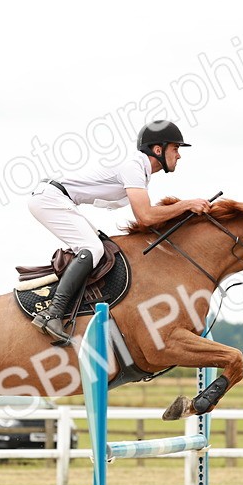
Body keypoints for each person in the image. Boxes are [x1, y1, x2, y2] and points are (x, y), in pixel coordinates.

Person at [27, 119, 212, 342]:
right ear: (157, 149)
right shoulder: (134, 167)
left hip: (57, 199)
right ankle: (52, 314)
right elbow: (145, 217)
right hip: (50, 199)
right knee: (93, 248)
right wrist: (186, 205)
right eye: (175, 148)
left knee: (99, 247)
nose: (179, 155)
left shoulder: (140, 171)